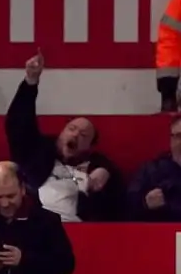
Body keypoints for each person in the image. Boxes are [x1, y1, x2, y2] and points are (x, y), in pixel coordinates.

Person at [7, 50, 123, 222]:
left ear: (89, 146)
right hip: (33, 226)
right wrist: (31, 83)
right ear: (61, 133)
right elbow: (17, 124)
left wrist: (104, 175)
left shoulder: (98, 166)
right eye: (72, 128)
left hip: (78, 231)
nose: (75, 134)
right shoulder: (37, 150)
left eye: (83, 135)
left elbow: (114, 205)